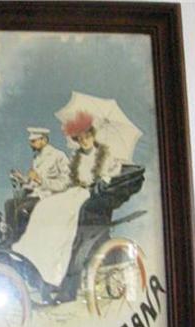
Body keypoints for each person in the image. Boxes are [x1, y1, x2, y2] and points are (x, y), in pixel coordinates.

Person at [11, 112, 123, 303]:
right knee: (45, 206)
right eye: (80, 139)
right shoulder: (76, 157)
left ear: (93, 135)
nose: (84, 141)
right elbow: (69, 180)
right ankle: (36, 256)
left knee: (64, 219)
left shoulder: (104, 155)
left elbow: (114, 170)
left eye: (87, 137)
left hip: (90, 195)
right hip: (74, 191)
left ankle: (56, 272)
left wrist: (104, 179)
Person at [4, 127, 70, 241]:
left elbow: (66, 183)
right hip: (37, 195)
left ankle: (21, 242)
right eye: (31, 141)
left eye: (34, 141)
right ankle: (10, 239)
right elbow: (34, 183)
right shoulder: (37, 158)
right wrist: (23, 179)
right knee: (9, 204)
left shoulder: (58, 155)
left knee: (21, 210)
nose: (31, 144)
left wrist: (40, 180)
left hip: (51, 197)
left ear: (44, 140)